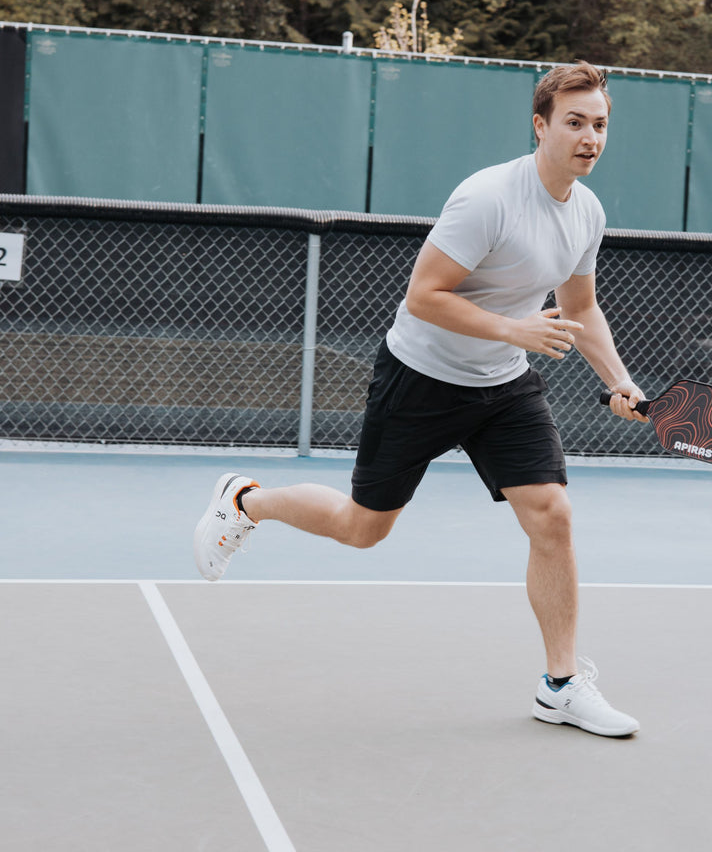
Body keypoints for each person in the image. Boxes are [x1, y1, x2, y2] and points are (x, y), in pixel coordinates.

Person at [193, 60, 648, 737]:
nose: (589, 137)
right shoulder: (487, 197)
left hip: (503, 386)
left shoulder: (587, 212)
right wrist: (513, 327)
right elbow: (424, 296)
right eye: (575, 122)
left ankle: (561, 685)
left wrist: (618, 378)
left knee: (552, 515)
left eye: (600, 125)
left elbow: (580, 306)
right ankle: (245, 501)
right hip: (422, 376)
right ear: (540, 126)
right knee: (363, 528)